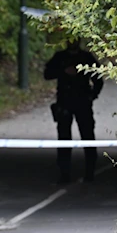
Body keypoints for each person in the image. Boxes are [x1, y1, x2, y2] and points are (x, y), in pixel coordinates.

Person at [44, 39, 104, 183]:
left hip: (83, 101)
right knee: (64, 139)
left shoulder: (86, 58)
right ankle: (64, 173)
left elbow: (98, 78)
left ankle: (90, 172)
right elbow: (47, 74)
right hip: (64, 101)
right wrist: (63, 71)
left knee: (88, 137)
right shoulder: (60, 57)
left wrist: (92, 95)